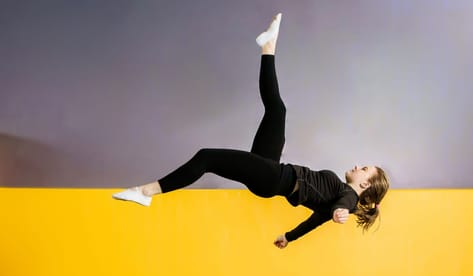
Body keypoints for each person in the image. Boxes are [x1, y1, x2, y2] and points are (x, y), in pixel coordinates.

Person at [113, 13, 390, 249]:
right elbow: (313, 223)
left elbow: (339, 207)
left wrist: (339, 212)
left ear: (365, 184)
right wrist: (288, 238)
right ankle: (267, 46)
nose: (358, 166)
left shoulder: (348, 197)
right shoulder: (342, 193)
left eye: (364, 169)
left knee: (206, 157)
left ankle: (146, 192)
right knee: (277, 111)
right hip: (273, 172)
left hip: (273, 178)